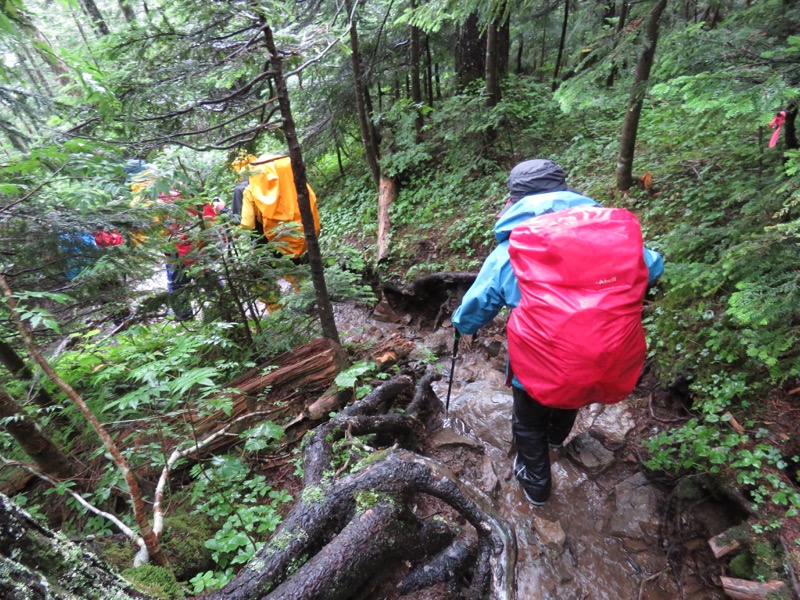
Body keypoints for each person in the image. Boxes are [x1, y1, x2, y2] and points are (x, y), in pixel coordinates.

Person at [451, 159, 664, 507]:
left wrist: (462, 325)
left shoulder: (511, 252)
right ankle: (556, 441)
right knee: (572, 395)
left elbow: (479, 303)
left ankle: (536, 487)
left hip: (540, 362)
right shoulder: (609, 239)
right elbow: (653, 266)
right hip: (608, 352)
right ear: (566, 190)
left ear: (514, 200)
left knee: (528, 421)